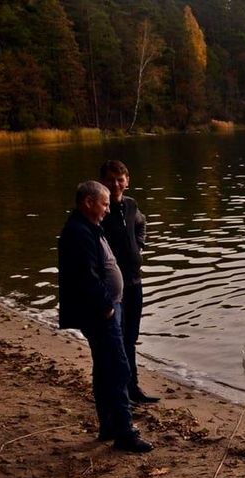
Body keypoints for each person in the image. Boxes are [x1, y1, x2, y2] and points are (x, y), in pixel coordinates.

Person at [57, 181, 154, 453]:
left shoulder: (87, 227)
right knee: (118, 368)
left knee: (105, 369)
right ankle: (125, 432)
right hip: (101, 312)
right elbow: (86, 277)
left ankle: (109, 426)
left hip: (107, 309)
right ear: (88, 202)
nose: (108, 210)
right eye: (104, 204)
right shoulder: (78, 232)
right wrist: (107, 306)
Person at [99, 159, 158, 404]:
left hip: (134, 282)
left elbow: (142, 224)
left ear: (127, 181)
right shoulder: (100, 209)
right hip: (113, 287)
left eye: (119, 179)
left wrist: (139, 246)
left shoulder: (132, 205)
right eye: (111, 179)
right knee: (117, 340)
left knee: (131, 338)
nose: (115, 184)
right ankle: (121, 393)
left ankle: (133, 388)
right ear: (103, 182)